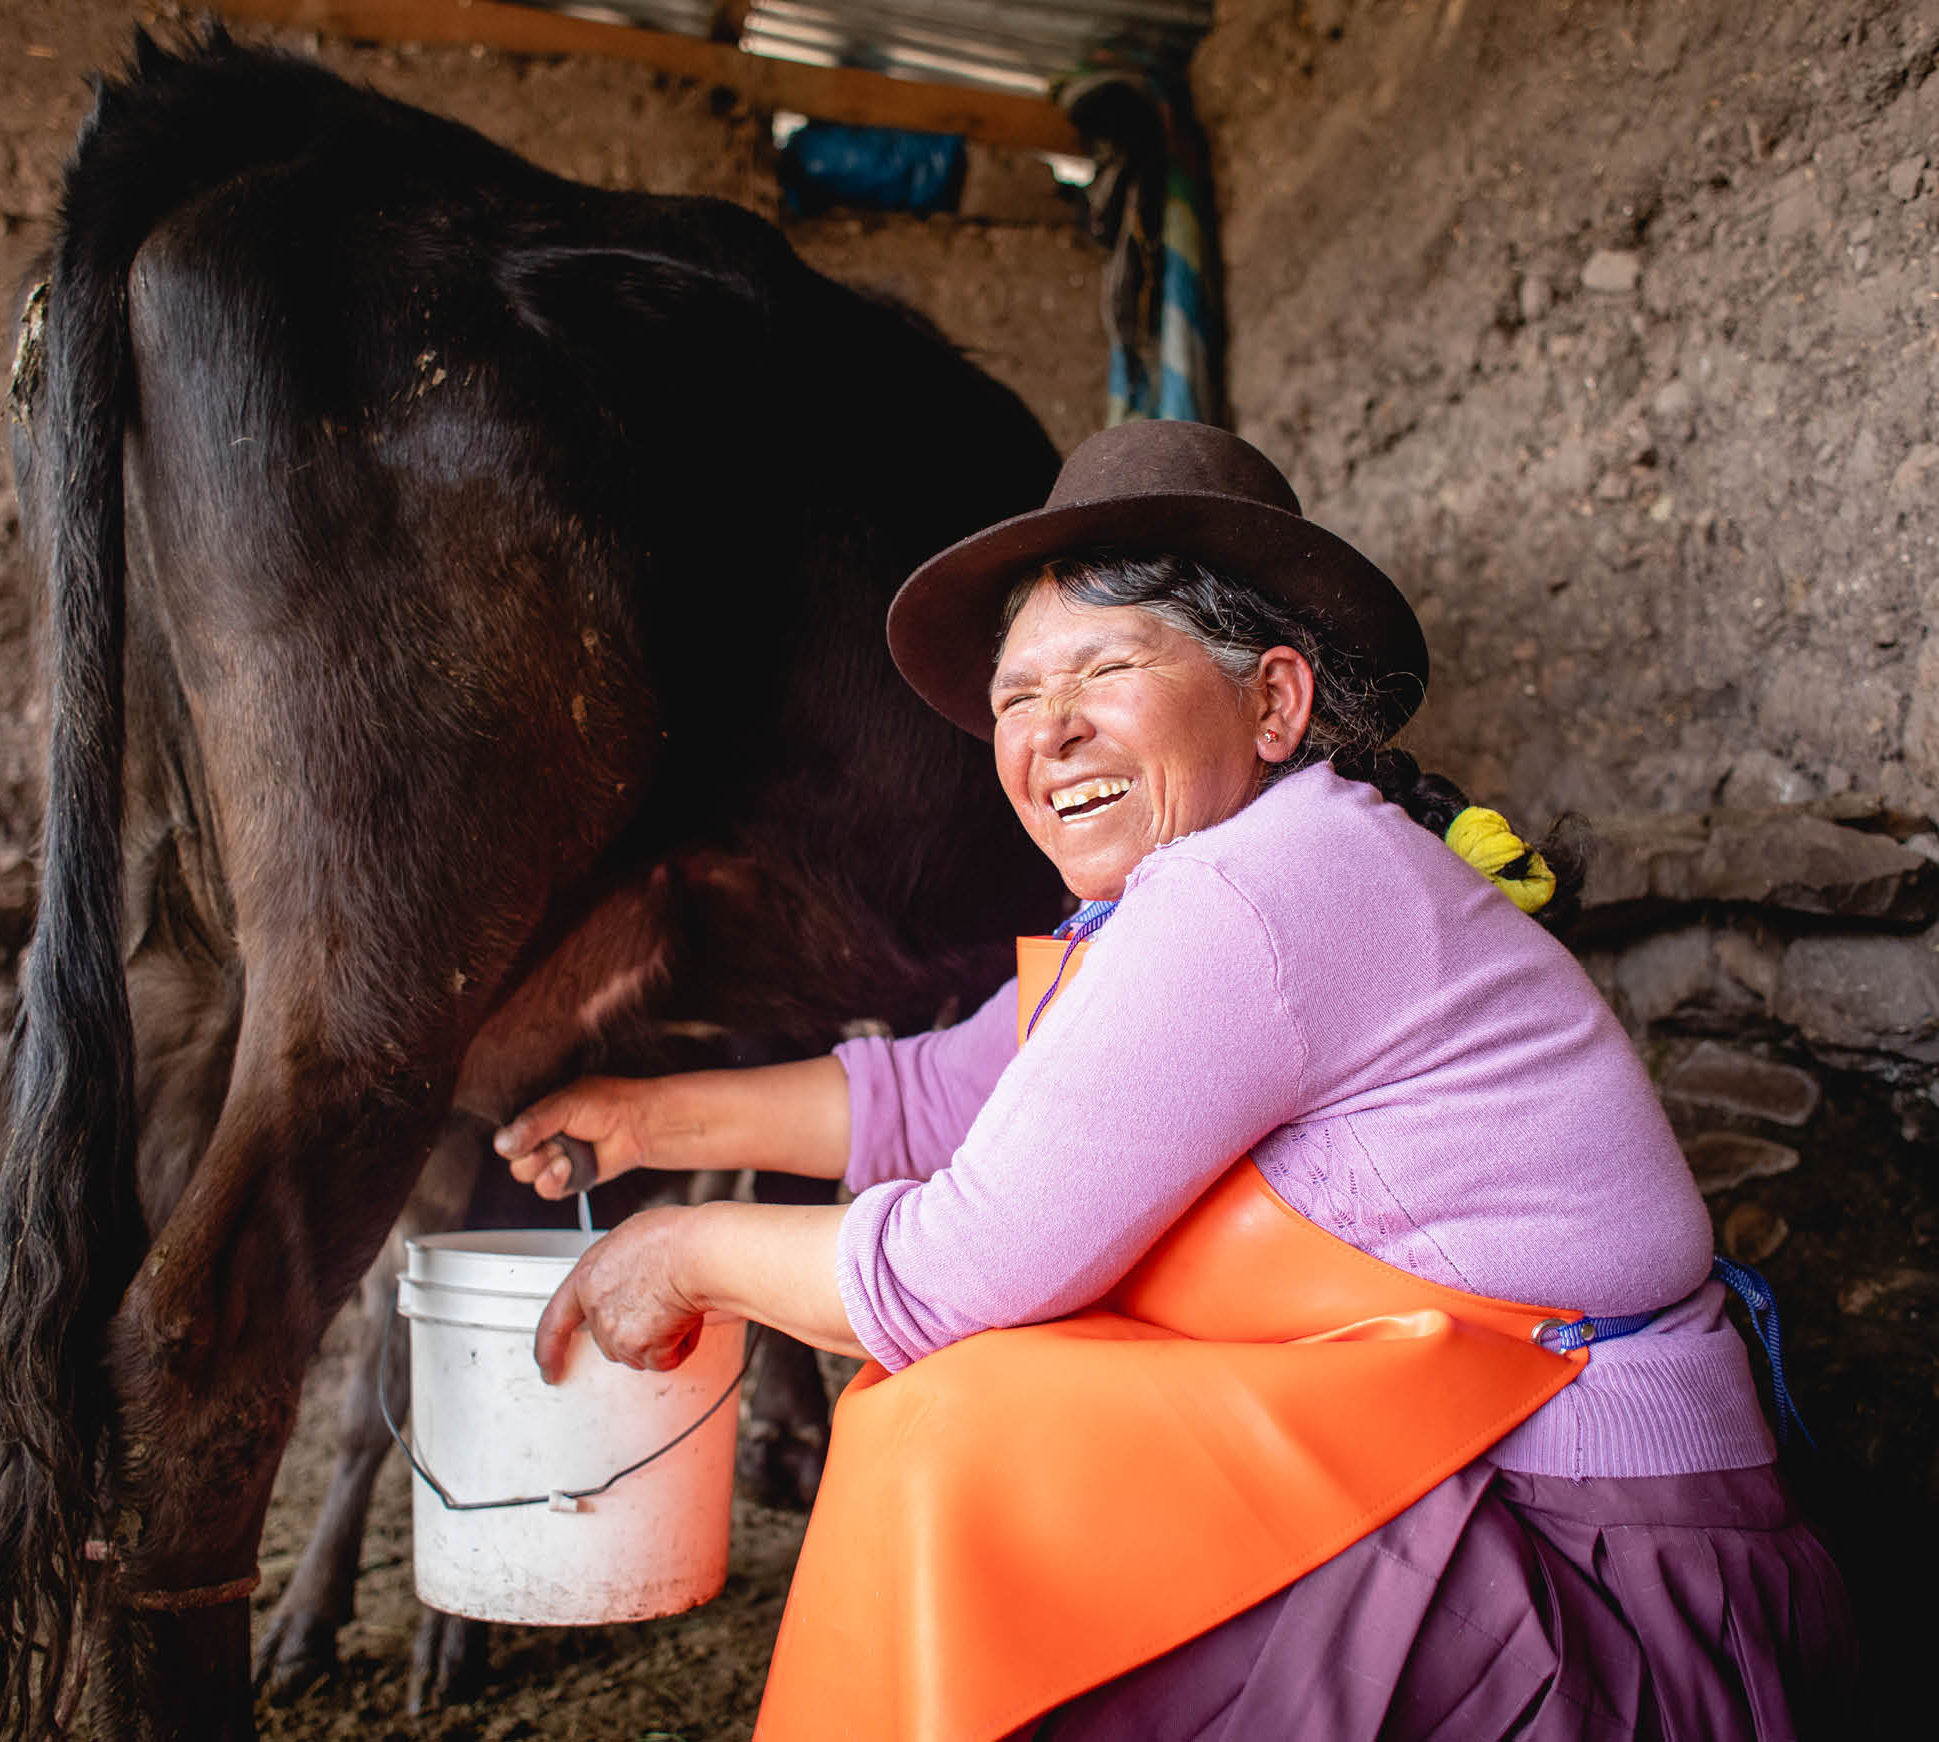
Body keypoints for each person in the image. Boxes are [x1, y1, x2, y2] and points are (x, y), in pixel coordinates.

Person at [493, 420, 1853, 1740]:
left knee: (958, 1428)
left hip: (1588, 1577)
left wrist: (680, 1252)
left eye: (1106, 672)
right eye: (1019, 696)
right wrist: (642, 1118)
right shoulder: (1235, 885)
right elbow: (940, 1092)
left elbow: (957, 1272)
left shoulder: (1257, 890)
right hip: (1510, 1488)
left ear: (1273, 701)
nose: (1051, 731)